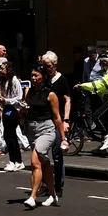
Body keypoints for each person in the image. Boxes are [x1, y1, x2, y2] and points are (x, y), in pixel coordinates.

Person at [23, 66, 68, 208]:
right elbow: (25, 111)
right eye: (32, 75)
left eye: (36, 75)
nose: (33, 78)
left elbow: (57, 118)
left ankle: (32, 196)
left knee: (35, 162)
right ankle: (53, 195)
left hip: (46, 130)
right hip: (31, 130)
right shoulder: (28, 92)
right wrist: (23, 111)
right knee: (44, 164)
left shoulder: (50, 94)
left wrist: (64, 138)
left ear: (43, 77)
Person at [77, 54, 108, 152]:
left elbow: (100, 84)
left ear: (104, 63)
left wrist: (82, 86)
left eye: (101, 63)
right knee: (104, 119)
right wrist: (96, 91)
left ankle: (107, 139)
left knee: (96, 116)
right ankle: (104, 144)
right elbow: (104, 87)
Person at [41, 51, 70, 197]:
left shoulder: (61, 80)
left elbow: (67, 100)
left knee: (57, 154)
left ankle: (59, 185)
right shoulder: (44, 80)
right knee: (43, 153)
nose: (47, 69)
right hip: (45, 120)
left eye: (49, 66)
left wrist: (66, 120)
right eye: (45, 66)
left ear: (55, 65)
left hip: (57, 120)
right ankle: (46, 184)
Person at [0, 61, 25, 171]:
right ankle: (18, 161)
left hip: (13, 110)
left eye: (2, 68)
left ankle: (13, 161)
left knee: (9, 135)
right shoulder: (3, 81)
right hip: (6, 109)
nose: (1, 71)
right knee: (10, 135)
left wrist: (6, 100)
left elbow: (19, 97)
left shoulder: (15, 81)